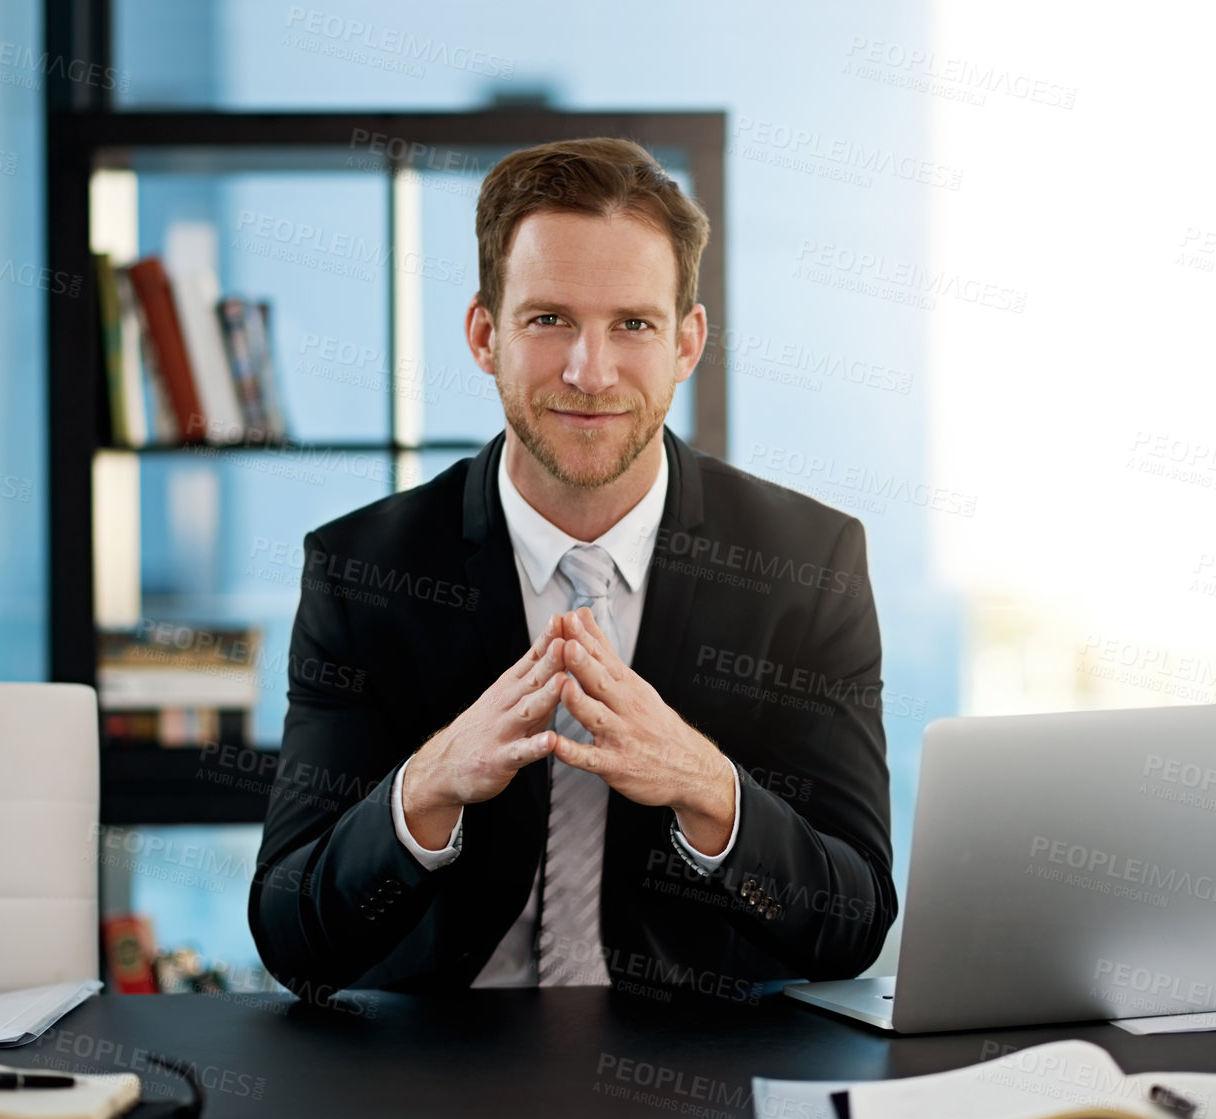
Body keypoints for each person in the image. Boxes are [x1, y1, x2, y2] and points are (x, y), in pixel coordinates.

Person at [248, 137, 896, 1004]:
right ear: (485, 334)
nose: (590, 373)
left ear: (687, 343)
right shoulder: (362, 569)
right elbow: (295, 941)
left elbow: (850, 926)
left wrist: (706, 788)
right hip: (438, 1066)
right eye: (549, 319)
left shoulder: (807, 566)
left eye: (632, 324)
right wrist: (429, 783)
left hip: (701, 1074)